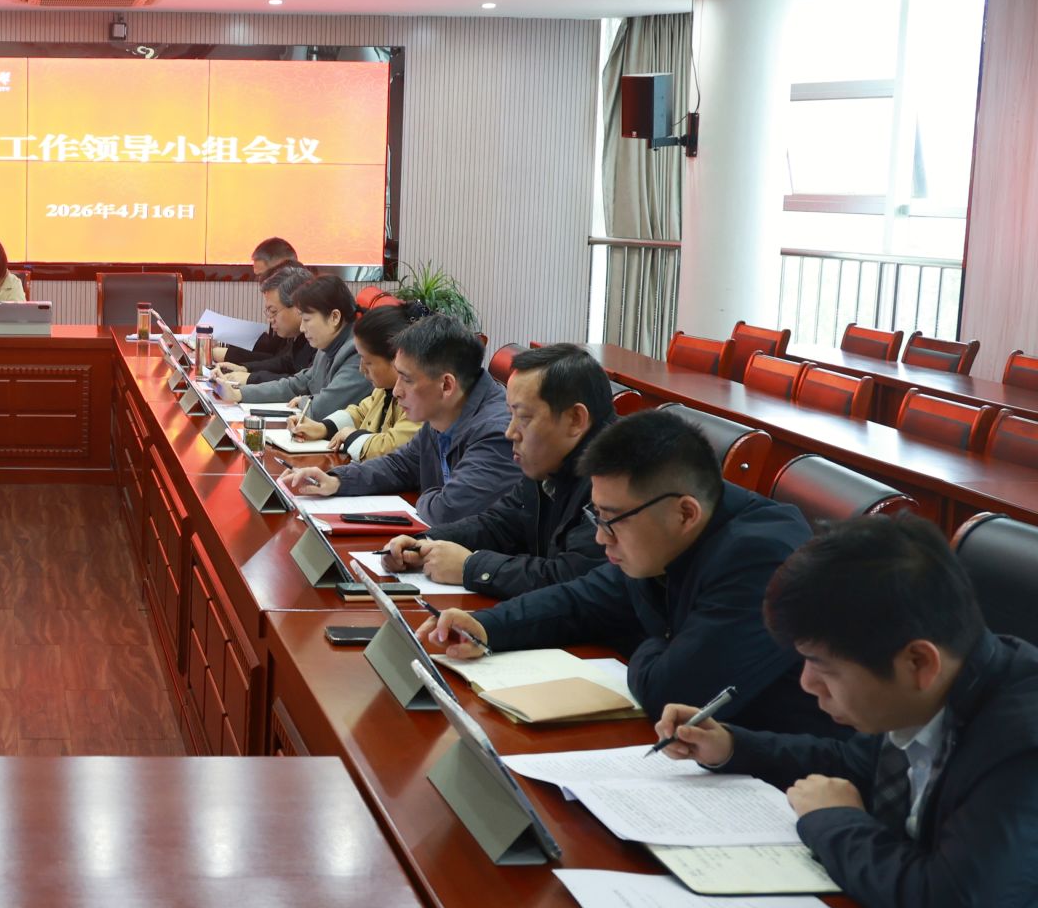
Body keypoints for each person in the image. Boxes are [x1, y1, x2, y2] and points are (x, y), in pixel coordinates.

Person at [656, 516, 1038, 908]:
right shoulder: (947, 687)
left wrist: (833, 823)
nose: (806, 684)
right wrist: (734, 747)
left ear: (918, 661)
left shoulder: (1023, 742)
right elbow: (856, 765)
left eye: (821, 667)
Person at [420, 409, 838, 736]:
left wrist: (653, 642)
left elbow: (670, 693)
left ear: (685, 513)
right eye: (596, 516)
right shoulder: (666, 532)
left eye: (611, 520)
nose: (600, 537)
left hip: (787, 779)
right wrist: (487, 626)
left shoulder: (760, 558)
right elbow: (586, 599)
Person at [382, 342, 613, 596]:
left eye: (523, 418)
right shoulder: (547, 462)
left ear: (575, 419)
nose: (510, 432)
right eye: (510, 414)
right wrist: (425, 542)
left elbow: (571, 579)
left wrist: (470, 567)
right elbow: (499, 524)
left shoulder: (614, 478)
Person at [281, 312, 512, 524]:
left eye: (407, 379)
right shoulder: (443, 411)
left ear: (446, 385)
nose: (397, 390)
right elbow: (400, 465)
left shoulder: (496, 434)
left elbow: (448, 511)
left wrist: (425, 494)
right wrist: (336, 480)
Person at [224, 273, 370, 425]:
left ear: (334, 317)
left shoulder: (358, 352)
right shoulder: (327, 344)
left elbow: (324, 409)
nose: (302, 328)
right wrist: (239, 394)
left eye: (306, 320)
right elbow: (295, 384)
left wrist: (304, 401)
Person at [321, 302, 423, 462]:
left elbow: (393, 447)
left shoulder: (421, 397)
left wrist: (352, 436)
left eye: (368, 362)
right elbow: (362, 412)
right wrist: (323, 428)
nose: (361, 369)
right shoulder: (383, 389)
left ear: (396, 359)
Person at [213, 265, 313, 379]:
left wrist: (249, 378)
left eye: (273, 311)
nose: (270, 319)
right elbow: (285, 363)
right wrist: (245, 369)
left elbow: (301, 383)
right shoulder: (298, 336)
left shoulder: (317, 340)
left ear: (297, 307)